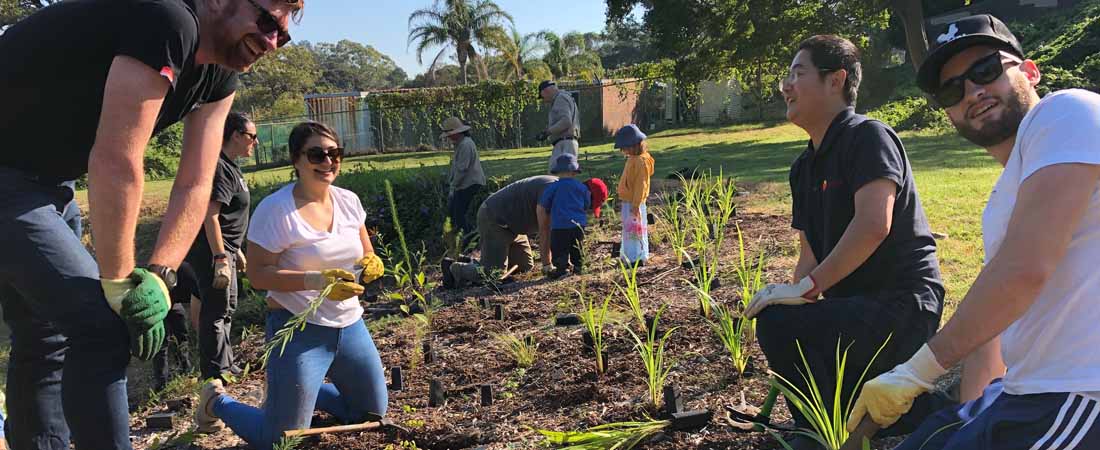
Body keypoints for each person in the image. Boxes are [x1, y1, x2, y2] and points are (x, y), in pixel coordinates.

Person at [0, 0, 302, 447]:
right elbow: (117, 158)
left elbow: (196, 183)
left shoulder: (220, 74)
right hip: (11, 179)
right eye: (266, 22)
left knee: (47, 334)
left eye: (284, 34)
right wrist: (121, 284)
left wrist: (159, 276)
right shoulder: (168, 19)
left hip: (47, 181)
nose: (273, 43)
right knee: (101, 327)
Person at [848, 15, 1100, 449]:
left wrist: (915, 372)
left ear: (1030, 70)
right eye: (952, 89)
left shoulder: (1067, 112)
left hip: (1079, 391)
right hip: (1024, 392)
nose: (973, 92)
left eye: (986, 70)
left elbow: (1023, 271)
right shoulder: (1005, 197)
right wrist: (970, 415)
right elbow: (996, 323)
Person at [744, 35, 948, 448]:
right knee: (780, 320)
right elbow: (810, 251)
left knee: (780, 326)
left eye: (798, 73)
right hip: (853, 307)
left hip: (903, 303)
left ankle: (826, 431)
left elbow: (875, 224)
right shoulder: (803, 166)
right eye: (787, 74)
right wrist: (789, 295)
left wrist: (809, 289)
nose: (786, 84)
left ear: (835, 80)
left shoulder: (868, 137)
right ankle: (905, 414)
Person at [194, 121, 387, 449]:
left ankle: (294, 393)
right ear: (296, 160)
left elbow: (364, 251)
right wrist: (315, 280)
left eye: (334, 153)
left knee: (371, 414)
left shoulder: (349, 202)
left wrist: (371, 262)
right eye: (317, 154)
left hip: (350, 326)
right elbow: (257, 274)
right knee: (280, 441)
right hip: (298, 331)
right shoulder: (276, 211)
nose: (327, 162)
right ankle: (216, 402)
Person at [187, 111, 255, 384]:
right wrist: (219, 256)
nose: (255, 142)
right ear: (236, 135)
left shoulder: (231, 166)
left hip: (226, 248)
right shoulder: (219, 167)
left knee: (228, 307)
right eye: (252, 136)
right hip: (212, 251)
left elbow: (228, 216)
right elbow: (210, 215)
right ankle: (214, 373)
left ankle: (227, 364)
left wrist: (235, 250)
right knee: (215, 310)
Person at [449, 175, 608, 286]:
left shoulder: (566, 192)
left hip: (514, 228)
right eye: (588, 207)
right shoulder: (555, 192)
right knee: (493, 274)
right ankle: (455, 269)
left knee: (524, 266)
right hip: (495, 219)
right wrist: (547, 265)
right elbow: (546, 231)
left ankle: (473, 261)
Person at [540, 154, 592, 278]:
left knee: (559, 247)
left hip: (559, 224)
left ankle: (561, 268)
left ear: (557, 172)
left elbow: (545, 203)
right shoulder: (581, 187)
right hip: (578, 224)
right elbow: (587, 203)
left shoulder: (553, 187)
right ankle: (579, 266)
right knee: (577, 246)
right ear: (574, 172)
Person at [152, 262, 200, 392]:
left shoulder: (197, 279)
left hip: (172, 299)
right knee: (161, 342)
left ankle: (185, 370)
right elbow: (197, 323)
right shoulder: (197, 279)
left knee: (181, 332)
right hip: (157, 298)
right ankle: (162, 384)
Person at [439, 117, 486, 246]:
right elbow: (456, 168)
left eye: (450, 135)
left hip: (470, 183)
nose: (449, 138)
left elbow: (462, 169)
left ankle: (472, 240)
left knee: (459, 215)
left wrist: (453, 187)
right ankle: (460, 241)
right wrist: (451, 181)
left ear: (458, 132)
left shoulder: (466, 144)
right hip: (462, 184)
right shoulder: (460, 144)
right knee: (454, 214)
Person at [614, 124, 655, 266]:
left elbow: (640, 186)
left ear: (633, 145)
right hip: (629, 201)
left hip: (634, 202)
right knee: (630, 229)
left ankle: (636, 257)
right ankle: (630, 255)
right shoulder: (633, 158)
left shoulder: (640, 162)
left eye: (624, 148)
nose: (623, 151)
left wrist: (636, 205)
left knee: (634, 230)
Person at [536, 81, 580, 171]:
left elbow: (566, 121)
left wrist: (547, 132)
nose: (544, 100)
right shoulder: (565, 97)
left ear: (546, 91)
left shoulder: (560, 98)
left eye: (542, 96)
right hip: (567, 142)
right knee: (562, 176)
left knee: (555, 176)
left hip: (565, 143)